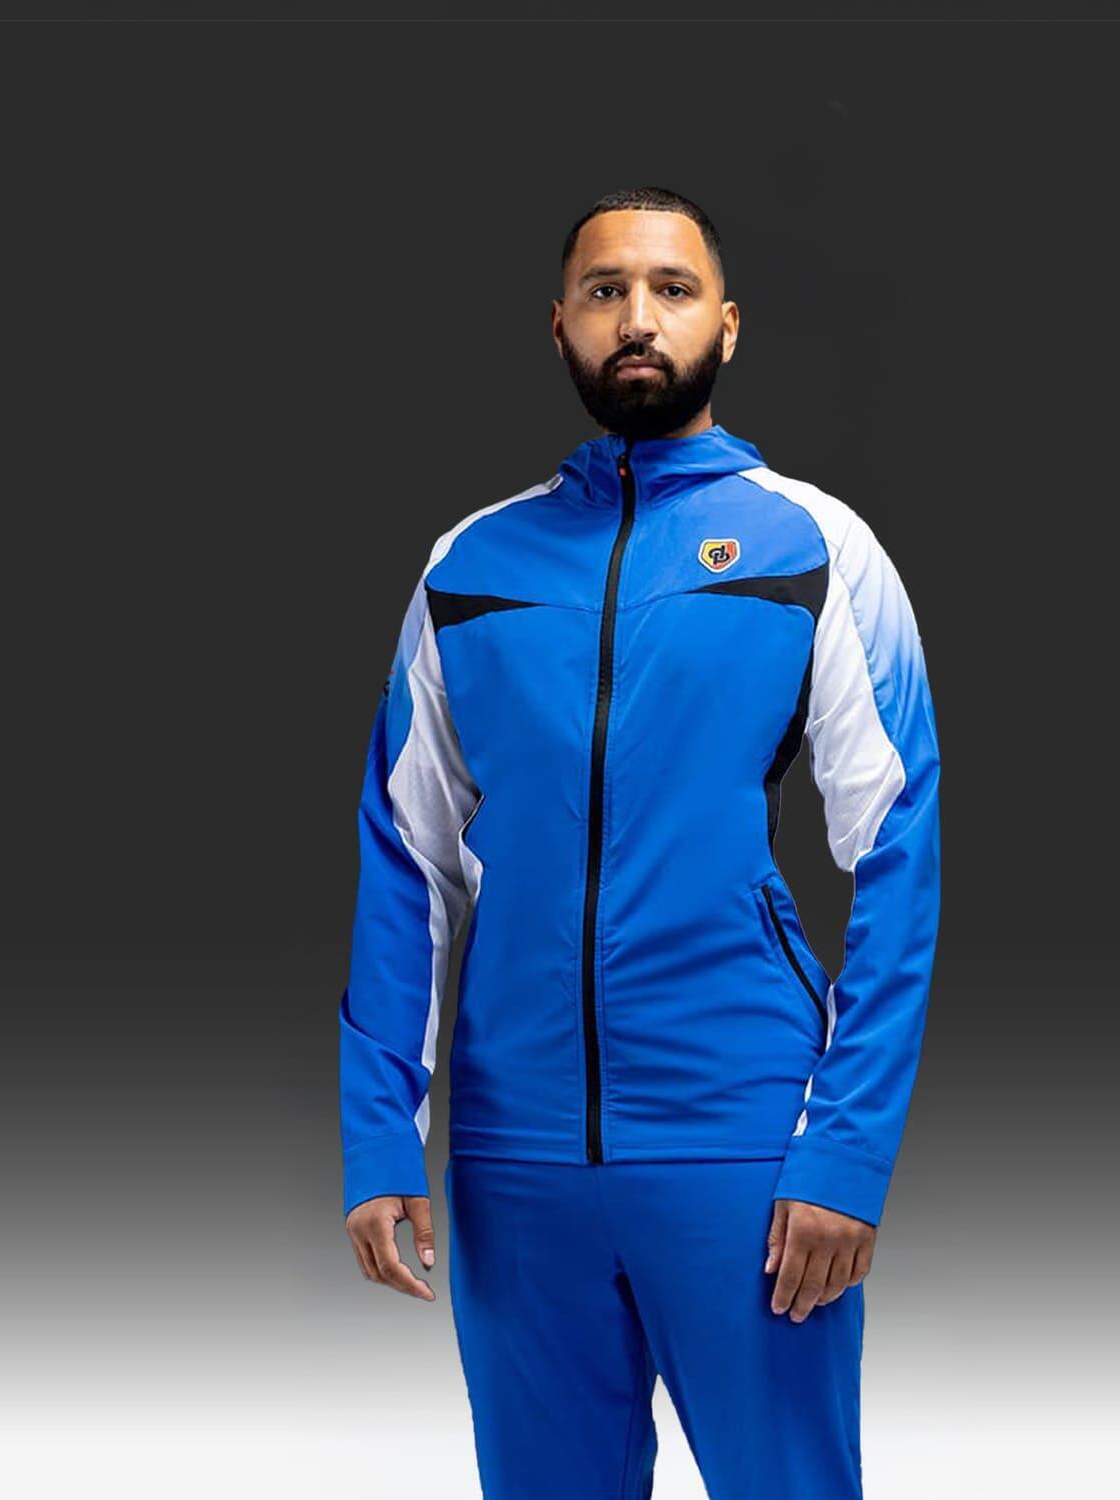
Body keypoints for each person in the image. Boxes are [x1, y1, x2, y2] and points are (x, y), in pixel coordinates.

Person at [338, 184, 942, 1499]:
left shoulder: (814, 546)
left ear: (728, 325)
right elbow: (406, 859)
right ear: (558, 325)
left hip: (744, 1137)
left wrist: (846, 1151)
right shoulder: (468, 567)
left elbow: (899, 851)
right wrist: (380, 1131)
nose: (637, 318)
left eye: (673, 289)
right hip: (517, 1157)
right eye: (605, 291)